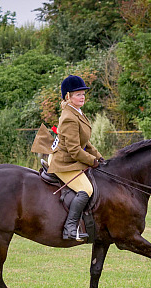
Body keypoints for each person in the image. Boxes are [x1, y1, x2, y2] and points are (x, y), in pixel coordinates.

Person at [47, 75, 103, 241]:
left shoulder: (77, 112)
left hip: (72, 158)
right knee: (86, 189)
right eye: (78, 94)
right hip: (63, 162)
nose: (82, 96)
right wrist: (93, 162)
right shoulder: (69, 117)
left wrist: (101, 158)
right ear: (68, 97)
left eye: (83, 93)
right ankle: (70, 228)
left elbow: (86, 143)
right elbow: (74, 150)